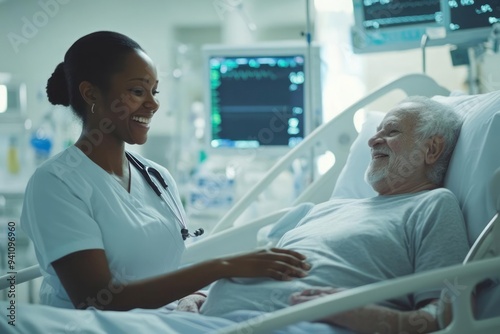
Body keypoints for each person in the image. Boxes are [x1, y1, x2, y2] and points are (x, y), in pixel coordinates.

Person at [20, 31, 311, 311]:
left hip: (166, 319)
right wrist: (223, 266)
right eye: (137, 91)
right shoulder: (56, 182)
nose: (153, 103)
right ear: (90, 93)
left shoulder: (157, 177)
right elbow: (98, 298)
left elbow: (170, 269)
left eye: (154, 91)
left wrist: (194, 294)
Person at [194, 96, 470, 334]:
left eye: (392, 131)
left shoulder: (432, 206)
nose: (373, 141)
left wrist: (365, 315)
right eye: (376, 131)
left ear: (431, 149)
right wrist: (201, 296)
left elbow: (445, 315)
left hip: (280, 324)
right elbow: (266, 267)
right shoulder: (327, 208)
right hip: (203, 318)